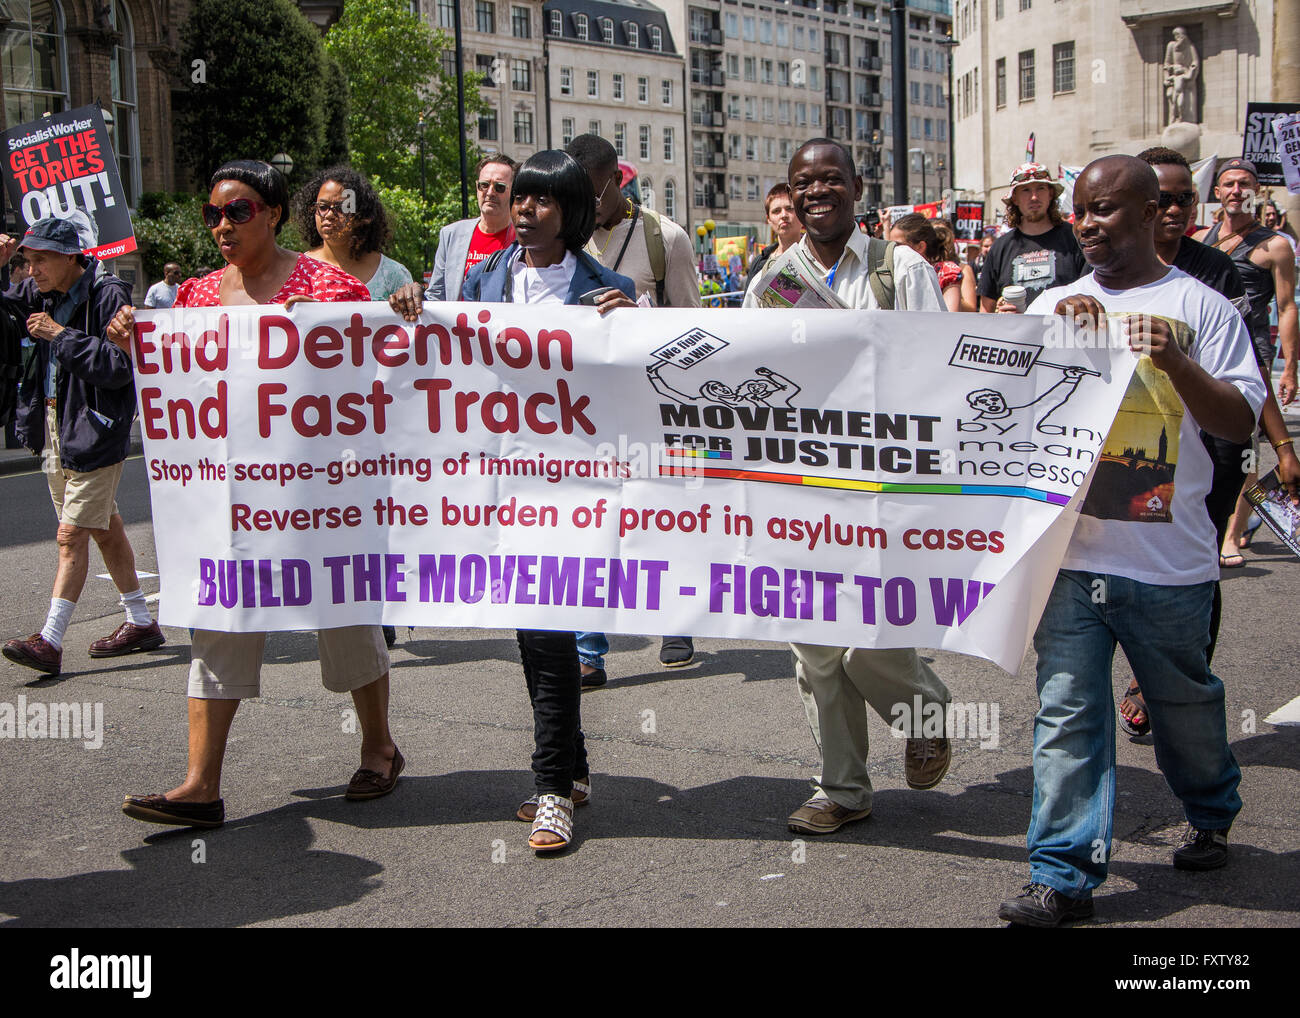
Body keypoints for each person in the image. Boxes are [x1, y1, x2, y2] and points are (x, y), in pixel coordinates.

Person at [998, 155, 1265, 928]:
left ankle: (1211, 809)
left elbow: (1236, 422)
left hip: (1167, 561)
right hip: (1070, 560)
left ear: (1154, 214)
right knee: (1067, 711)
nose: (1088, 223)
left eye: (1107, 209)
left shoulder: (1201, 307)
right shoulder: (1054, 304)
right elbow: (1009, 420)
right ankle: (1061, 873)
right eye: (1083, 210)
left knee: (1183, 709)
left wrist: (1172, 357)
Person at [112, 160, 400, 829]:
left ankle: (379, 746)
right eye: (212, 214)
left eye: (238, 211)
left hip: (321, 496)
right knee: (217, 622)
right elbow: (181, 394)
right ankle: (200, 784)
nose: (222, 226)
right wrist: (138, 347)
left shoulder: (329, 287)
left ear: (272, 213)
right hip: (233, 502)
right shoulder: (197, 297)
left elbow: (373, 382)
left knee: (346, 616)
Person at [392, 150, 635, 852]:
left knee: (548, 624)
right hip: (498, 483)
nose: (524, 211)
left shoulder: (606, 289)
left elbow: (647, 378)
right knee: (533, 634)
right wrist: (413, 302)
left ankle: (552, 788)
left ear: (571, 212)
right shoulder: (479, 278)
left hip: (574, 487)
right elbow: (436, 349)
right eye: (518, 199)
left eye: (540, 201)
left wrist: (635, 322)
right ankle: (576, 768)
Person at [743, 138, 952, 836]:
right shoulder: (770, 284)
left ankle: (924, 712)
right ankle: (842, 789)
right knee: (813, 649)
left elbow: (939, 370)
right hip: (802, 487)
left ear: (857, 188)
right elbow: (747, 376)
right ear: (792, 196)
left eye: (831, 180)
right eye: (804, 183)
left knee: (867, 633)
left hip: (885, 485)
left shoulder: (902, 270)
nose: (817, 192)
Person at [1113, 148, 1300, 738]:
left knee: (1198, 557)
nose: (1171, 210)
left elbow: (1245, 374)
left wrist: (1283, 447)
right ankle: (1149, 664)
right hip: (1133, 441)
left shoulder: (1213, 271)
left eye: (1182, 199)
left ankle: (1175, 676)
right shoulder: (1100, 267)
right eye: (1160, 199)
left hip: (1210, 445)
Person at [0, 218, 162, 678]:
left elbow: (119, 367)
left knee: (71, 535)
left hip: (95, 430)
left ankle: (48, 641)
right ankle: (141, 623)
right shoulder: (41, 290)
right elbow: (7, 312)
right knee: (104, 527)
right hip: (53, 427)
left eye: (40, 260)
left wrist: (58, 334)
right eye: (26, 261)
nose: (31, 271)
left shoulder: (108, 293)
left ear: (71, 257)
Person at [566, 134, 701, 673]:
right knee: (585, 525)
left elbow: (694, 331)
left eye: (592, 195)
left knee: (663, 517)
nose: (583, 206)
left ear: (618, 183)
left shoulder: (665, 238)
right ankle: (586, 651)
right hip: (582, 416)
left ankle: (677, 620)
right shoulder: (560, 238)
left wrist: (640, 324)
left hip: (652, 407)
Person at [295, 165, 412, 649]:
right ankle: (334, 603)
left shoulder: (392, 274)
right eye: (321, 207)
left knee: (374, 516)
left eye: (340, 206)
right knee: (324, 516)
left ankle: (377, 607)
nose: (329, 216)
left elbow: (413, 344)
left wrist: (413, 300)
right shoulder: (297, 269)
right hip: (314, 423)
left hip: (374, 421)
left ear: (361, 214)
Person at [1194, 159, 1300, 566]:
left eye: (1244, 184)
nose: (1236, 191)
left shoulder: (1274, 245)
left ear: (1257, 192)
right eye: (1228, 184)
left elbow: (1287, 306)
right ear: (1216, 193)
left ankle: (1232, 532)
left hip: (1253, 349)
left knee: (1246, 439)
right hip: (1206, 348)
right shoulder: (1201, 239)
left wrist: (1289, 365)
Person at [978, 163, 1087, 313]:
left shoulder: (1075, 238)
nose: (1034, 197)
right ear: (1014, 198)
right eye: (1026, 190)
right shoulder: (1000, 248)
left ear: (1050, 194)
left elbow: (1091, 296)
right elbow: (985, 310)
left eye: (1040, 189)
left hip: (1063, 333)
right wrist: (1000, 316)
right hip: (1013, 335)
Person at [427, 154, 518, 302]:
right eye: (484, 185)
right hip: (458, 324)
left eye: (499, 187)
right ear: (477, 187)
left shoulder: (522, 240)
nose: (490, 192)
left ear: (513, 191)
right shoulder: (450, 235)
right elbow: (436, 295)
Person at [888, 213, 976, 313]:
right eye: (890, 245)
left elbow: (948, 318)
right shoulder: (892, 271)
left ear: (920, 246)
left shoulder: (945, 272)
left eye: (898, 245)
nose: (893, 250)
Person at [747, 183, 803, 282]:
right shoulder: (760, 262)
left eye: (789, 209)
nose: (783, 215)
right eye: (776, 211)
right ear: (768, 219)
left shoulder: (817, 255)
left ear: (800, 211)